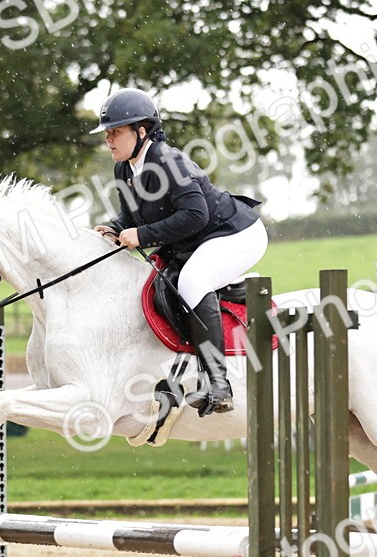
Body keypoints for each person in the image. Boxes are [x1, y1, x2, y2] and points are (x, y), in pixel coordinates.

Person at [92, 87, 267, 416]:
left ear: (141, 131)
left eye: (115, 132)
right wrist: (115, 227)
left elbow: (195, 215)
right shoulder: (124, 169)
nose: (109, 140)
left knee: (192, 282)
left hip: (235, 234)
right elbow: (132, 216)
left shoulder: (170, 162)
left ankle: (218, 383)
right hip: (197, 240)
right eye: (107, 134)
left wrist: (141, 235)